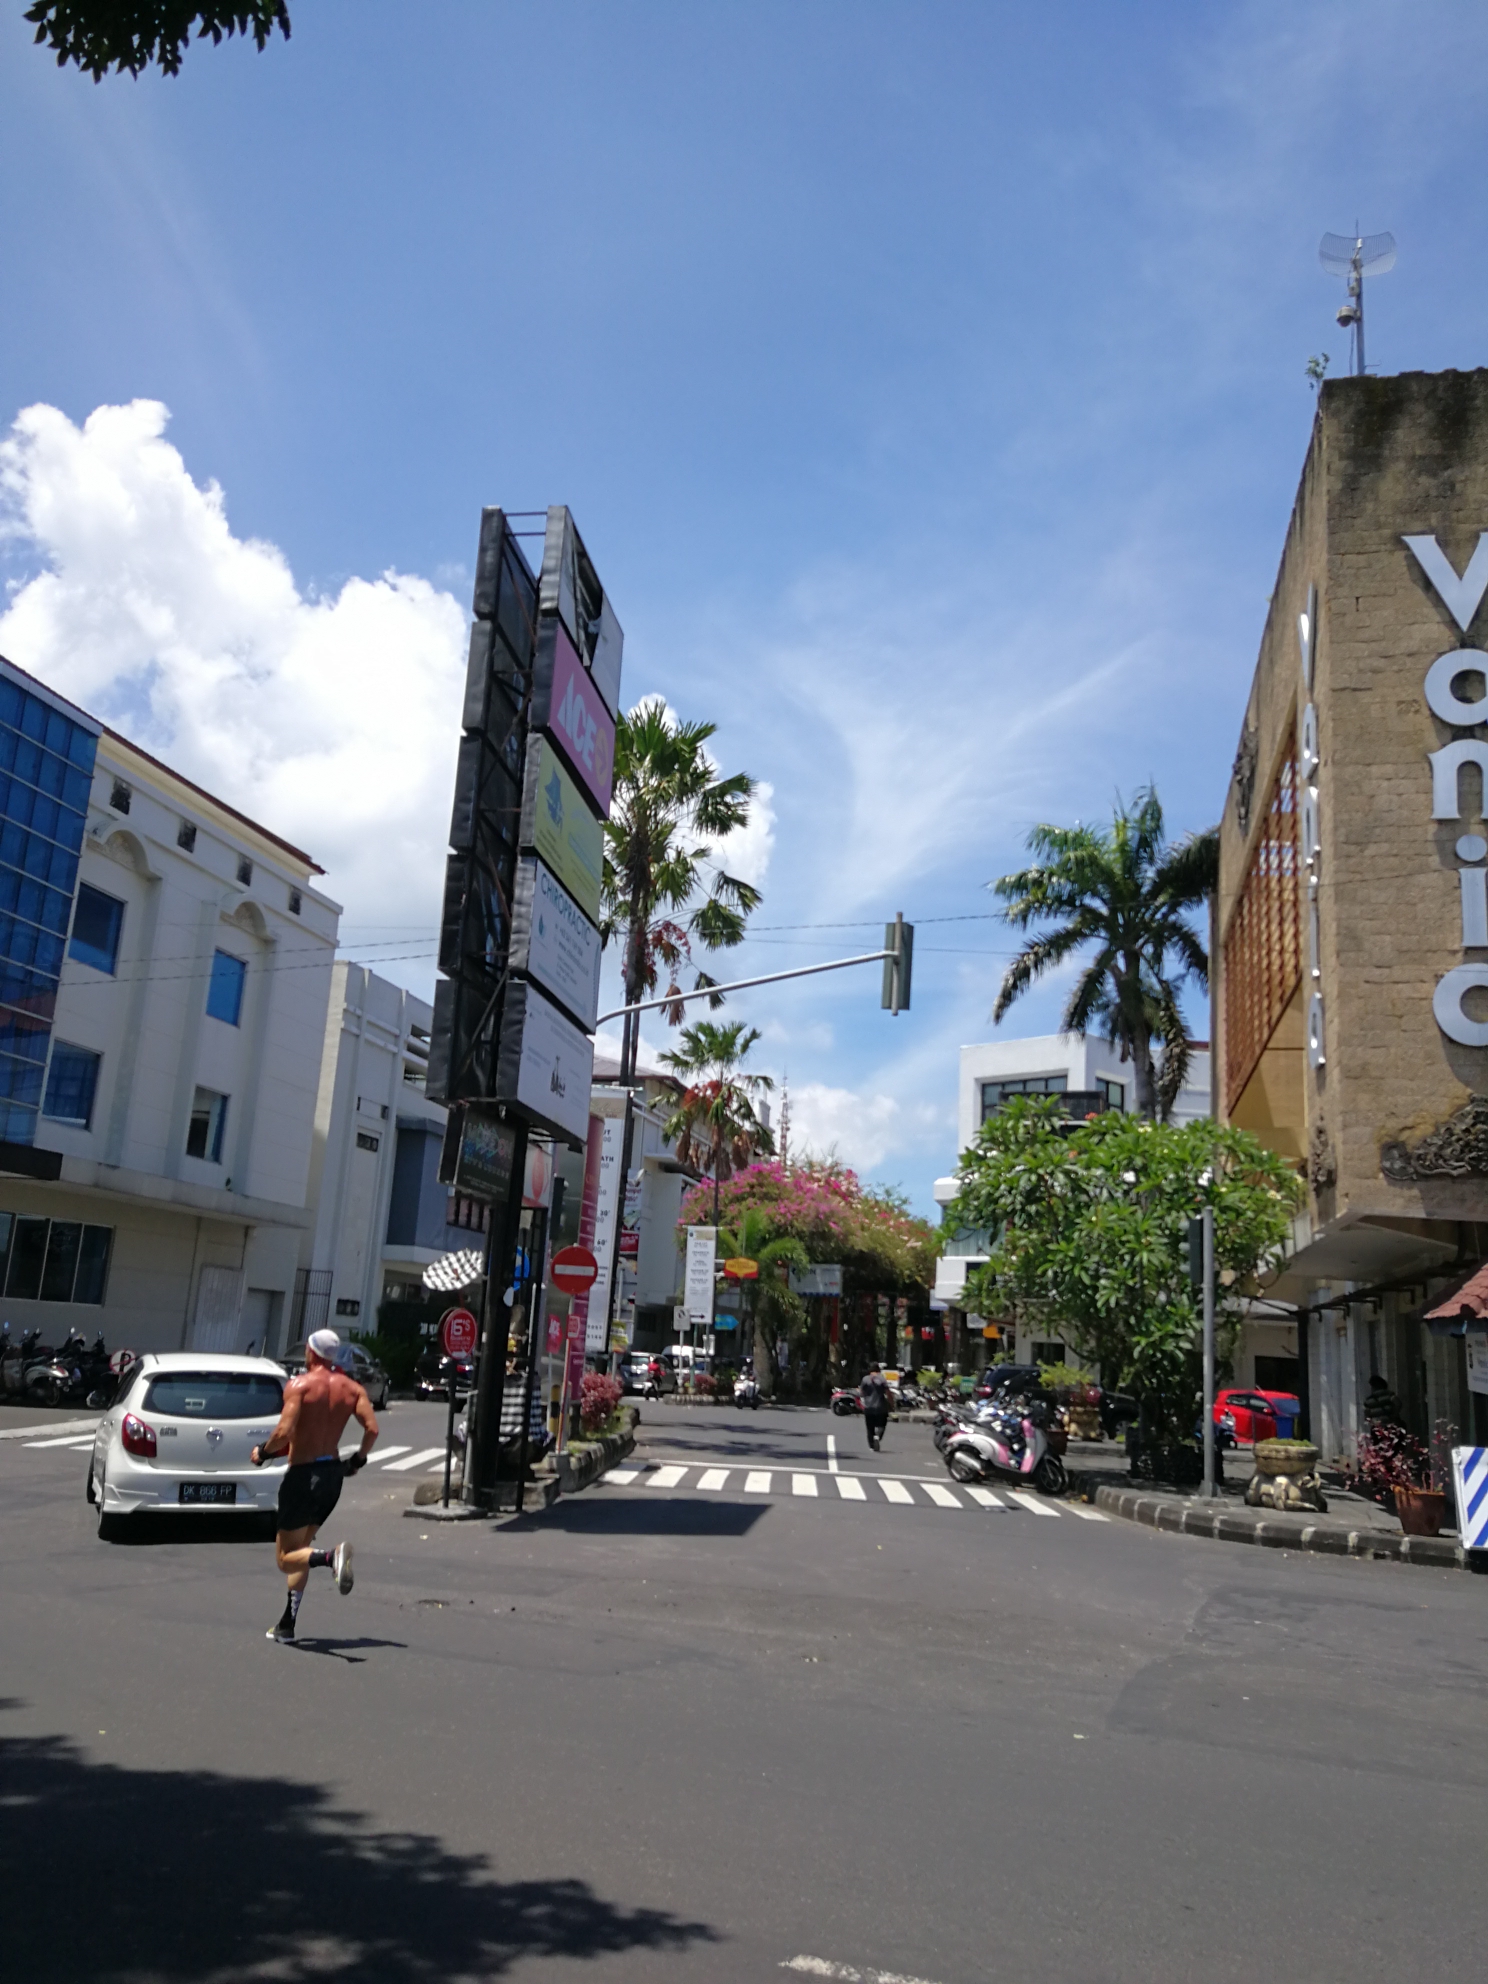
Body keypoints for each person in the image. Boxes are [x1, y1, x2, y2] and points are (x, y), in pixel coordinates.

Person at [251, 1328, 378, 1644]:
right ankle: (287, 1624)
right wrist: (357, 1461)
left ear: (311, 1353)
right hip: (332, 1477)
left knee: (285, 1558)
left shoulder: (301, 1385)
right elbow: (372, 1429)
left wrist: (263, 1453)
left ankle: (330, 1557)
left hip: (303, 1476)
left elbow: (284, 1431)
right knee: (300, 1550)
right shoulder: (352, 1389)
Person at [860, 1362, 890, 1451]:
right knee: (882, 1424)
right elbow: (888, 1393)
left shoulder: (865, 1379)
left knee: (870, 1427)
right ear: (878, 1369)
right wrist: (891, 1404)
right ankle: (878, 1436)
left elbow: (861, 1392)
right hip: (881, 1407)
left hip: (868, 1407)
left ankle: (872, 1445)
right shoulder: (882, 1379)